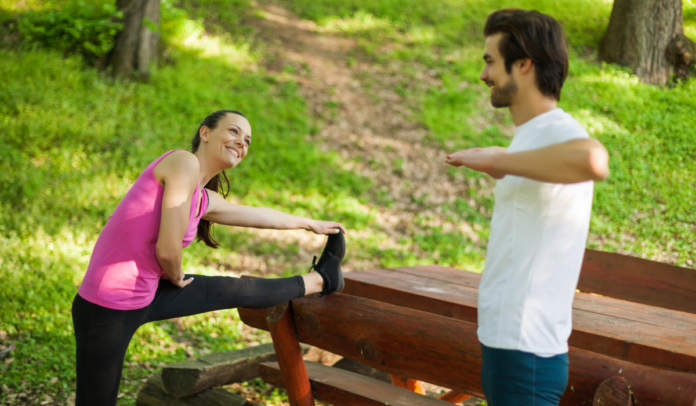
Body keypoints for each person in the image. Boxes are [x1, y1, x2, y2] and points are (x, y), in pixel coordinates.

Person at [72, 110, 347, 406]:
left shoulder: (204, 199)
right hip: (106, 305)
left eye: (247, 140)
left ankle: (322, 278)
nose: (241, 142)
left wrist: (310, 223)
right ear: (205, 133)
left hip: (147, 295)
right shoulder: (182, 162)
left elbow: (260, 215)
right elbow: (167, 250)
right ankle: (322, 278)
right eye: (233, 132)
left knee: (239, 289)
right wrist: (176, 278)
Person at [445, 9, 610, 406]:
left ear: (523, 64)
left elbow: (594, 160)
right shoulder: (530, 138)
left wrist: (497, 161)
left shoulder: (558, 130)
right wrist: (504, 160)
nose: (483, 75)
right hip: (508, 341)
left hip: (527, 348)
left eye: (490, 61)